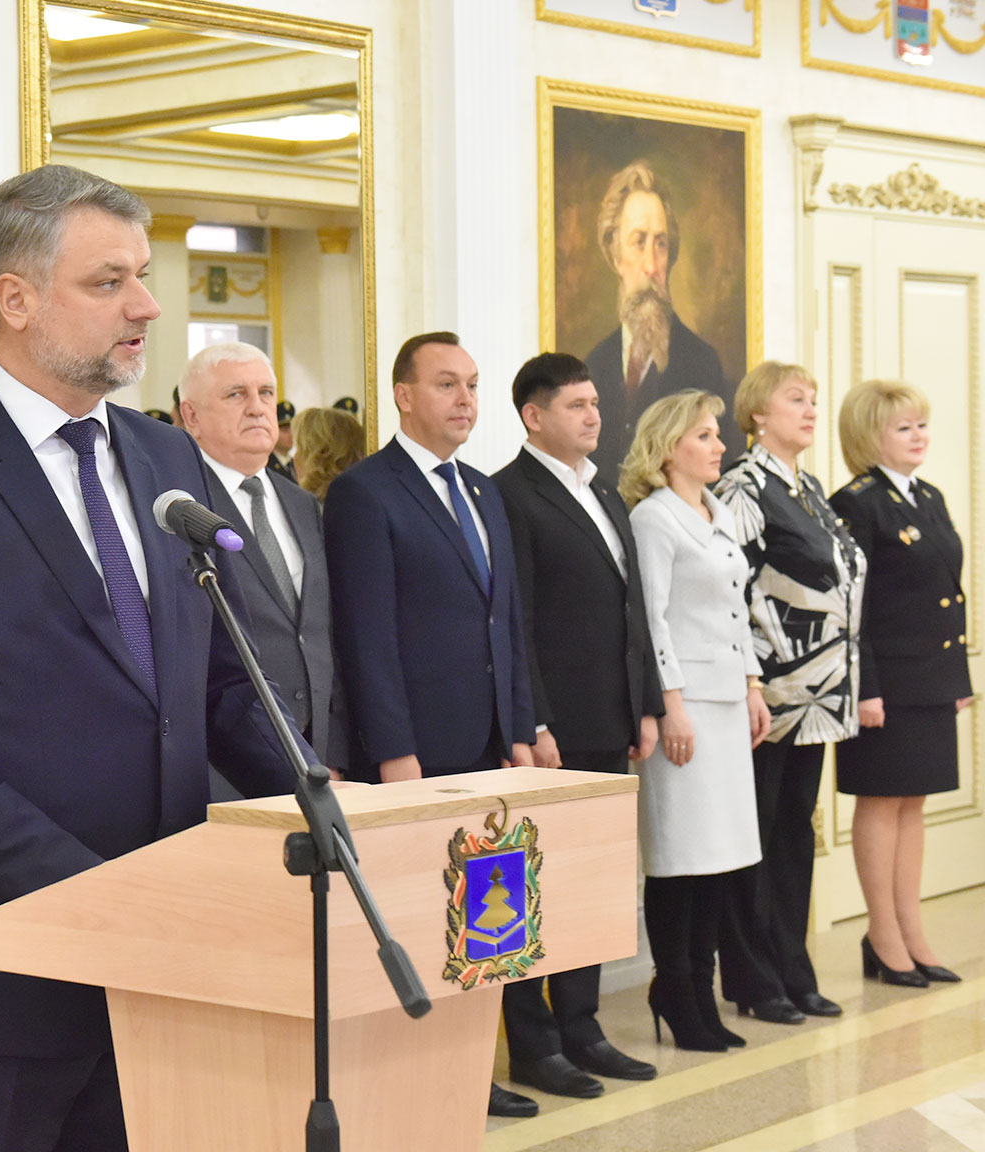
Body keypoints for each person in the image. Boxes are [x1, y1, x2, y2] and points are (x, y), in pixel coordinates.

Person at [0, 164, 308, 1152]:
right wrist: (90, 889)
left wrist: (317, 792)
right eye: (108, 282)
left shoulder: (168, 457)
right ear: (16, 299)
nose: (147, 306)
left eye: (142, 277)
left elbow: (220, 681)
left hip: (164, 962)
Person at [326, 330, 538, 1120]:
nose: (466, 400)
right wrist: (395, 752)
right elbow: (367, 636)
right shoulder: (365, 492)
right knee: (421, 915)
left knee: (486, 915)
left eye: (473, 385)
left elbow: (505, 622)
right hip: (419, 750)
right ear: (404, 396)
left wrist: (520, 729)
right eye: (447, 384)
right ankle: (419, 1077)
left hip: (488, 746)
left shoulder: (482, 489)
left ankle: (471, 1072)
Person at [492, 353, 662, 1096]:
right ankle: (533, 1044)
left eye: (595, 403)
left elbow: (632, 608)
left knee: (590, 880)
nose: (594, 415)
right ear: (534, 416)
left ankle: (582, 1028)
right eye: (576, 405)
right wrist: (534, 717)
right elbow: (517, 620)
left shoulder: (604, 491)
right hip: (552, 731)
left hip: (608, 717)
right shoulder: (509, 493)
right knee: (534, 883)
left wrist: (645, 703)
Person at [713, 361, 866, 1025]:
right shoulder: (743, 486)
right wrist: (750, 680)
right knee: (758, 831)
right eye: (795, 399)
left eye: (813, 400)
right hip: (769, 692)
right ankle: (754, 979)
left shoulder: (807, 488)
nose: (810, 410)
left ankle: (793, 969)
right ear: (758, 414)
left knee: (794, 832)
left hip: (820, 692)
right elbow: (732, 593)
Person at [621, 389, 771, 1051]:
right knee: (680, 856)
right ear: (668, 447)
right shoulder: (654, 518)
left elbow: (739, 608)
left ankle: (701, 991)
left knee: (721, 856)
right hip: (685, 711)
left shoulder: (718, 510)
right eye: (704, 436)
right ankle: (675, 989)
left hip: (728, 701)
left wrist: (753, 685)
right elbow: (651, 618)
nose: (719, 445)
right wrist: (670, 703)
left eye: (717, 434)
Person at [830, 379, 970, 987]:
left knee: (913, 803)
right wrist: (865, 687)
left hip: (930, 677)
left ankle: (912, 932)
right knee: (882, 800)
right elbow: (851, 606)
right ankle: (883, 935)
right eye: (903, 427)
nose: (919, 436)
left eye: (922, 424)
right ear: (870, 436)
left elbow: (947, 593)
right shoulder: (856, 503)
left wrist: (956, 676)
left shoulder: (929, 496)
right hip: (883, 682)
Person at [177, 342, 346, 797]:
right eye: (236, 394)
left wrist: (331, 750)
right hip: (226, 767)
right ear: (191, 416)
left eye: (266, 393)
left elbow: (321, 631)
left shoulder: (302, 503)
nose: (257, 408)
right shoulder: (181, 509)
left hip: (313, 755)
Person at [583, 160, 745, 472]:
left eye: (661, 244)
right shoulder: (595, 364)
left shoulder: (702, 362)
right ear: (615, 255)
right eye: (638, 242)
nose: (651, 265)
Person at [291, 405, 364, 503]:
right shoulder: (362, 496)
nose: (295, 457)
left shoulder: (307, 507)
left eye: (299, 448)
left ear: (320, 455)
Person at [268, 397, 297, 481]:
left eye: (292, 429)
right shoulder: (266, 464)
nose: (291, 434)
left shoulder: (296, 463)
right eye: (285, 430)